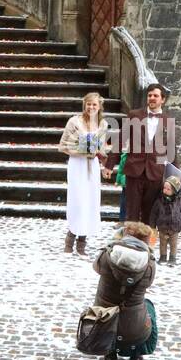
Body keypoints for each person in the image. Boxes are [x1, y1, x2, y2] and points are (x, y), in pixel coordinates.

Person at [104, 83, 176, 225]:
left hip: (155, 173)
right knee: (131, 214)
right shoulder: (134, 115)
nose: (152, 98)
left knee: (149, 216)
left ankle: (144, 245)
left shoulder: (169, 121)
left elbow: (172, 151)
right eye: (150, 95)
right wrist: (109, 165)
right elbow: (121, 140)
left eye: (156, 95)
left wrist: (175, 178)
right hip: (134, 171)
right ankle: (130, 244)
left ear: (163, 100)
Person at [92, 222, 158, 360]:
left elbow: (95, 267)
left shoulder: (107, 255)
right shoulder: (149, 264)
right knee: (148, 307)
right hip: (133, 325)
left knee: (104, 304)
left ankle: (109, 352)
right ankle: (136, 354)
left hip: (105, 319)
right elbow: (148, 283)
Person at [58, 92, 109, 255]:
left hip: (92, 167)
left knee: (90, 201)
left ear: (99, 106)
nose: (91, 107)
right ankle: (70, 239)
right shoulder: (74, 122)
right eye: (89, 104)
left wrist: (103, 154)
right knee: (78, 201)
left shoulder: (103, 124)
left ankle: (82, 241)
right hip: (77, 165)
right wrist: (82, 150)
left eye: (94, 105)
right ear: (84, 105)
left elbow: (101, 147)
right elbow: (63, 145)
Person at [149, 175, 181, 265]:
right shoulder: (159, 201)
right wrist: (152, 226)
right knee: (162, 244)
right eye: (164, 188)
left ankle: (172, 258)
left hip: (175, 228)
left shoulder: (180, 202)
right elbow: (153, 214)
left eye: (168, 189)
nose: (165, 190)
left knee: (173, 244)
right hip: (162, 227)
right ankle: (163, 257)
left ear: (175, 191)